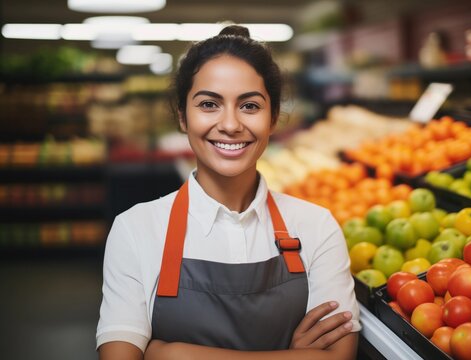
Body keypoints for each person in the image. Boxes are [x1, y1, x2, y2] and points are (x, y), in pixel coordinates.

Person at [96, 25, 360, 360]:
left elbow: (338, 357)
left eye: (250, 106)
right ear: (182, 116)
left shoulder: (316, 227)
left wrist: (174, 354)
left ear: (274, 116)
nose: (231, 124)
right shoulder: (135, 229)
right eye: (209, 104)